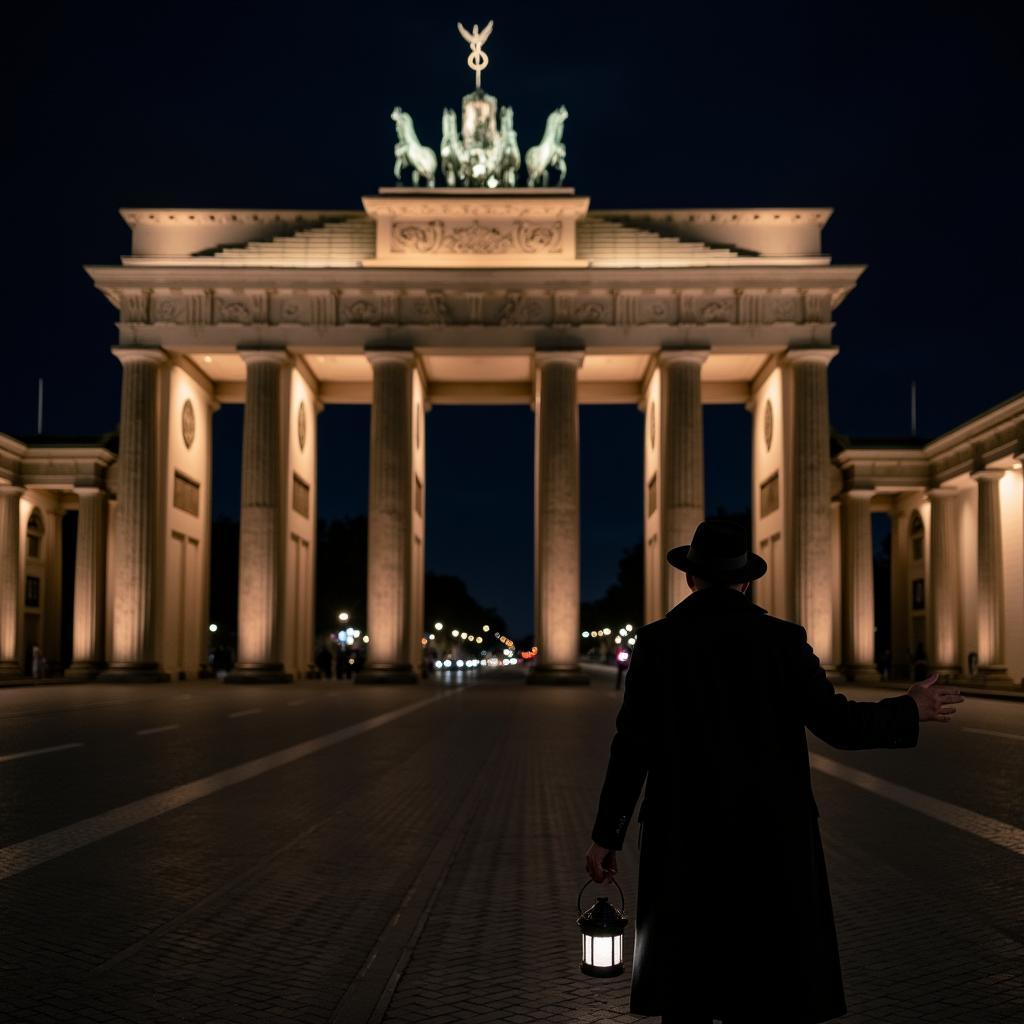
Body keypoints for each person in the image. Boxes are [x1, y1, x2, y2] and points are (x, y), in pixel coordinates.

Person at [583, 518, 964, 1024]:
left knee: (687, 984)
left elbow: (631, 748)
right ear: (746, 580)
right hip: (769, 837)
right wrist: (910, 707)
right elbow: (839, 724)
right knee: (763, 982)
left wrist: (606, 835)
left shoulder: (657, 643)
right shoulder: (782, 640)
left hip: (682, 836)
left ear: (690, 578)